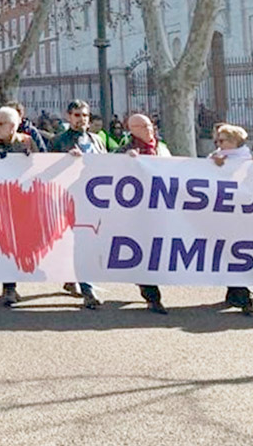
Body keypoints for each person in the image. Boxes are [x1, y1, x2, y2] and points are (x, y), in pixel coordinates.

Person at [0, 107, 41, 307]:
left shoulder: (28, 142)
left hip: (22, 201)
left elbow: (43, 164)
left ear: (13, 126)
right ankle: (9, 287)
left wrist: (31, 160)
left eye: (1, 123)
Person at [45, 100, 103, 310]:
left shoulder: (96, 140)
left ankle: (72, 278)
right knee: (76, 242)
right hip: (67, 198)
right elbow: (47, 170)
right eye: (77, 115)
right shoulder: (58, 141)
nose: (82, 120)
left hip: (93, 199)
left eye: (85, 115)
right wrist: (65, 160)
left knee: (85, 242)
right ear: (69, 117)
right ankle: (88, 289)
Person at [116, 113, 171, 314]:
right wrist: (125, 160)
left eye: (149, 125)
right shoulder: (125, 150)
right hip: (138, 213)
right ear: (132, 130)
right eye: (141, 127)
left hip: (162, 210)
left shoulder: (162, 148)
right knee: (143, 252)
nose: (148, 129)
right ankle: (152, 297)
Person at [206, 123, 252, 315]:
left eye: (222, 140)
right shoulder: (214, 158)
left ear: (235, 141)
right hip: (224, 218)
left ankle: (237, 293)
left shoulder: (247, 160)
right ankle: (239, 296)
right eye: (217, 140)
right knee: (230, 254)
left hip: (244, 217)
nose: (218, 144)